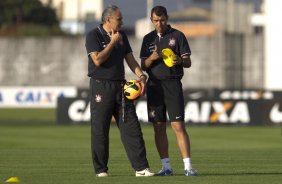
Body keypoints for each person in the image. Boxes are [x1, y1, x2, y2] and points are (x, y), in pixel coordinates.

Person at [85, 5, 154, 177]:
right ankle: (101, 170)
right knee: (100, 129)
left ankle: (141, 168)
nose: (122, 22)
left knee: (132, 127)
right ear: (108, 20)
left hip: (121, 87)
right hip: (101, 86)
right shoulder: (93, 35)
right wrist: (112, 43)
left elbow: (130, 59)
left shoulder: (122, 36)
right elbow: (98, 60)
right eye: (119, 19)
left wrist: (141, 75)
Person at [140, 5, 197, 176]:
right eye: (156, 21)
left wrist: (179, 60)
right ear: (151, 21)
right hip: (154, 87)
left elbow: (188, 62)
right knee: (158, 127)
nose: (159, 23)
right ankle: (166, 167)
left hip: (172, 84)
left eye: (162, 20)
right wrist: (152, 58)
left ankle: (188, 167)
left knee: (178, 126)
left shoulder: (177, 36)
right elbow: (143, 65)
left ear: (167, 18)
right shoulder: (148, 39)